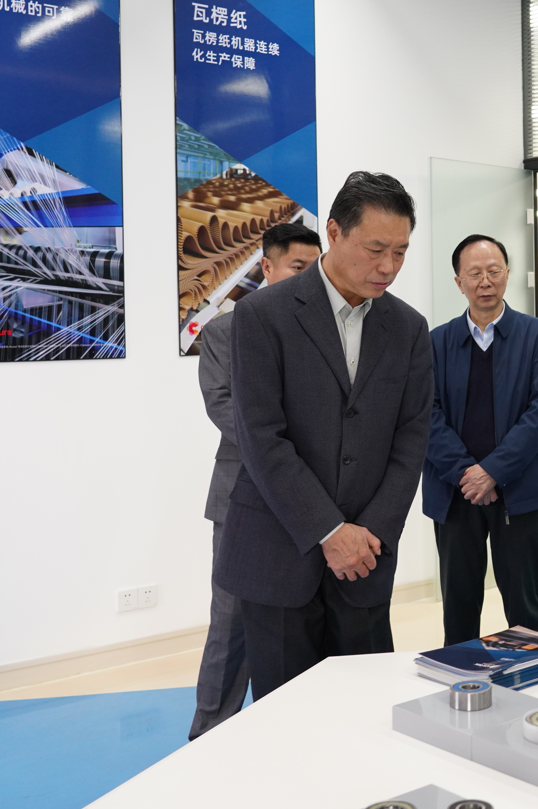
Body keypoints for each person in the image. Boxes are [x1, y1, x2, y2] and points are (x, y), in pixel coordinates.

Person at [214, 172, 432, 701]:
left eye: (400, 252)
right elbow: (262, 438)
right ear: (334, 232)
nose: (388, 266)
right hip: (279, 554)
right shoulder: (262, 315)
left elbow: (411, 440)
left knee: (366, 709)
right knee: (288, 717)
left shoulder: (408, 328)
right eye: (375, 249)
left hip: (366, 559)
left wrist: (368, 533)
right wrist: (330, 531)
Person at [188, 221, 321, 739]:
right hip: (242, 497)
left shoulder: (318, 331)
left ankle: (289, 734)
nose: (307, 278)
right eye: (297, 267)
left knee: (298, 624)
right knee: (230, 624)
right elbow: (225, 408)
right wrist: (288, 452)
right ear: (267, 266)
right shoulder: (224, 331)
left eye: (315, 269)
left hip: (310, 499)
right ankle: (208, 736)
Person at [422, 235, 538, 645]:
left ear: (508, 274)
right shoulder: (436, 341)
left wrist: (493, 472)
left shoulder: (536, 334)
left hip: (520, 491)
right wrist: (468, 473)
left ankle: (531, 676)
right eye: (475, 273)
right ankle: (460, 679)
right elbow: (426, 415)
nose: (486, 281)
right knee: (459, 605)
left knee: (524, 606)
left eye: (494, 271)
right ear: (458, 282)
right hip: (456, 492)